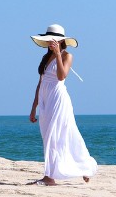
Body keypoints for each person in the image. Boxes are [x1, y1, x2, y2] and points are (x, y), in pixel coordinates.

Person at [28, 24, 97, 186]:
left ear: (60, 41)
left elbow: (61, 76)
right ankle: (83, 167)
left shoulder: (67, 56)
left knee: (58, 135)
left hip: (58, 99)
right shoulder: (45, 58)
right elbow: (40, 83)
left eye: (53, 41)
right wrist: (34, 107)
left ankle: (49, 177)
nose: (50, 44)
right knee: (48, 136)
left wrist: (58, 54)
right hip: (45, 99)